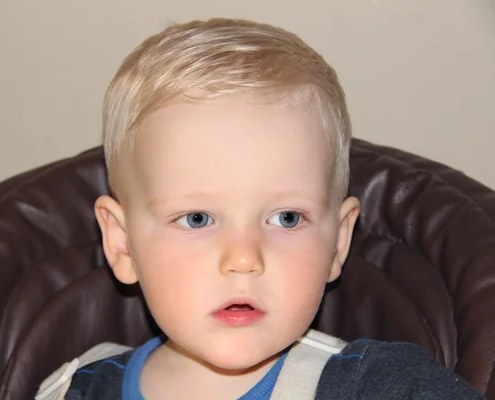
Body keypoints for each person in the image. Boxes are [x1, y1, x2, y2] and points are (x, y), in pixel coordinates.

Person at [39, 18, 484, 399]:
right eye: (197, 218)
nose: (244, 259)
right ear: (122, 244)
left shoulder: (387, 388)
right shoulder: (71, 390)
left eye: (287, 218)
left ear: (337, 242)